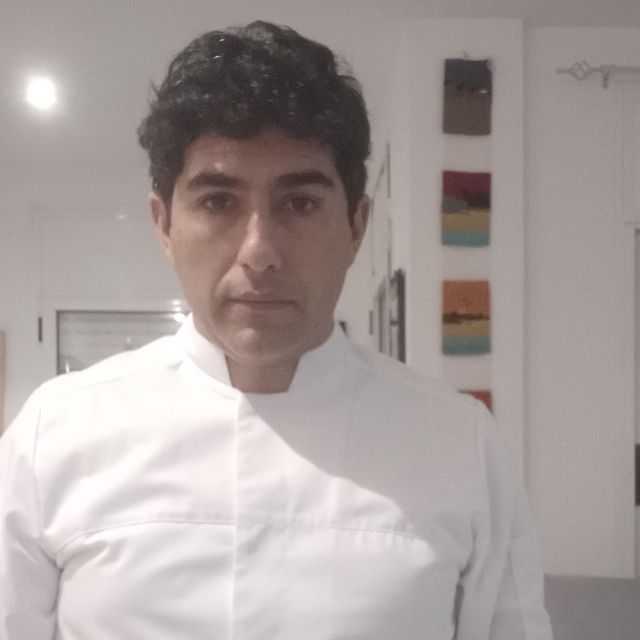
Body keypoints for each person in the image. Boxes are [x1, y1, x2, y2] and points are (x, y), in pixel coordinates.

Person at [0, 20, 553, 639]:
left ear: (356, 225)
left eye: (300, 203)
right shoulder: (55, 436)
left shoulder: (460, 446)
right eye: (218, 202)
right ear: (164, 225)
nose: (259, 251)